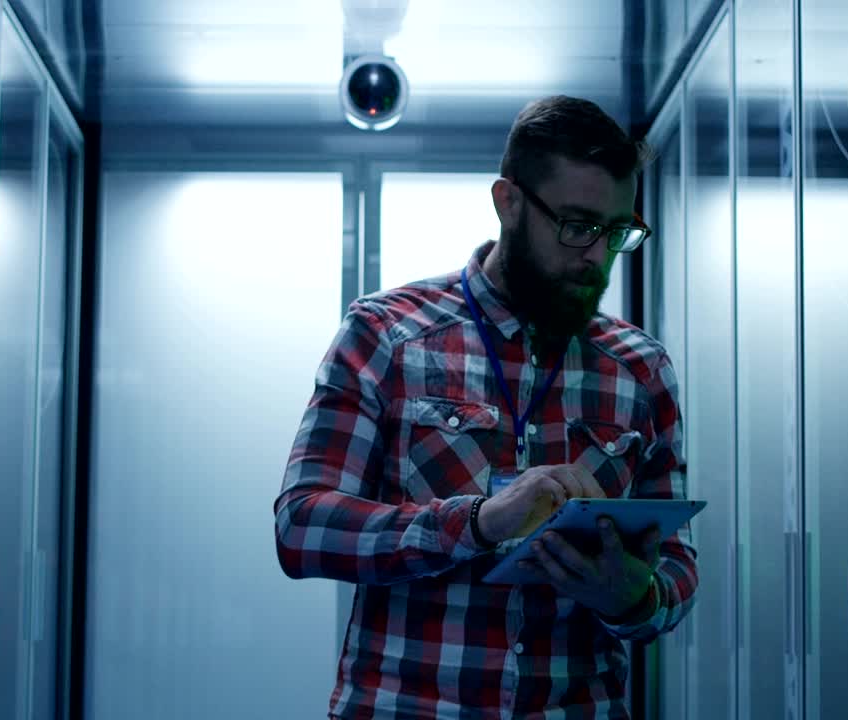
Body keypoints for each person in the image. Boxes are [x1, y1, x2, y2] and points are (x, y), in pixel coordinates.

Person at [273, 95, 699, 719]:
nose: (597, 257)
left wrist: (634, 597)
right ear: (509, 202)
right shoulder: (386, 336)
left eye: (616, 232)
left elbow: (679, 567)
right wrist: (477, 523)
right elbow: (301, 527)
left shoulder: (641, 369)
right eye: (578, 226)